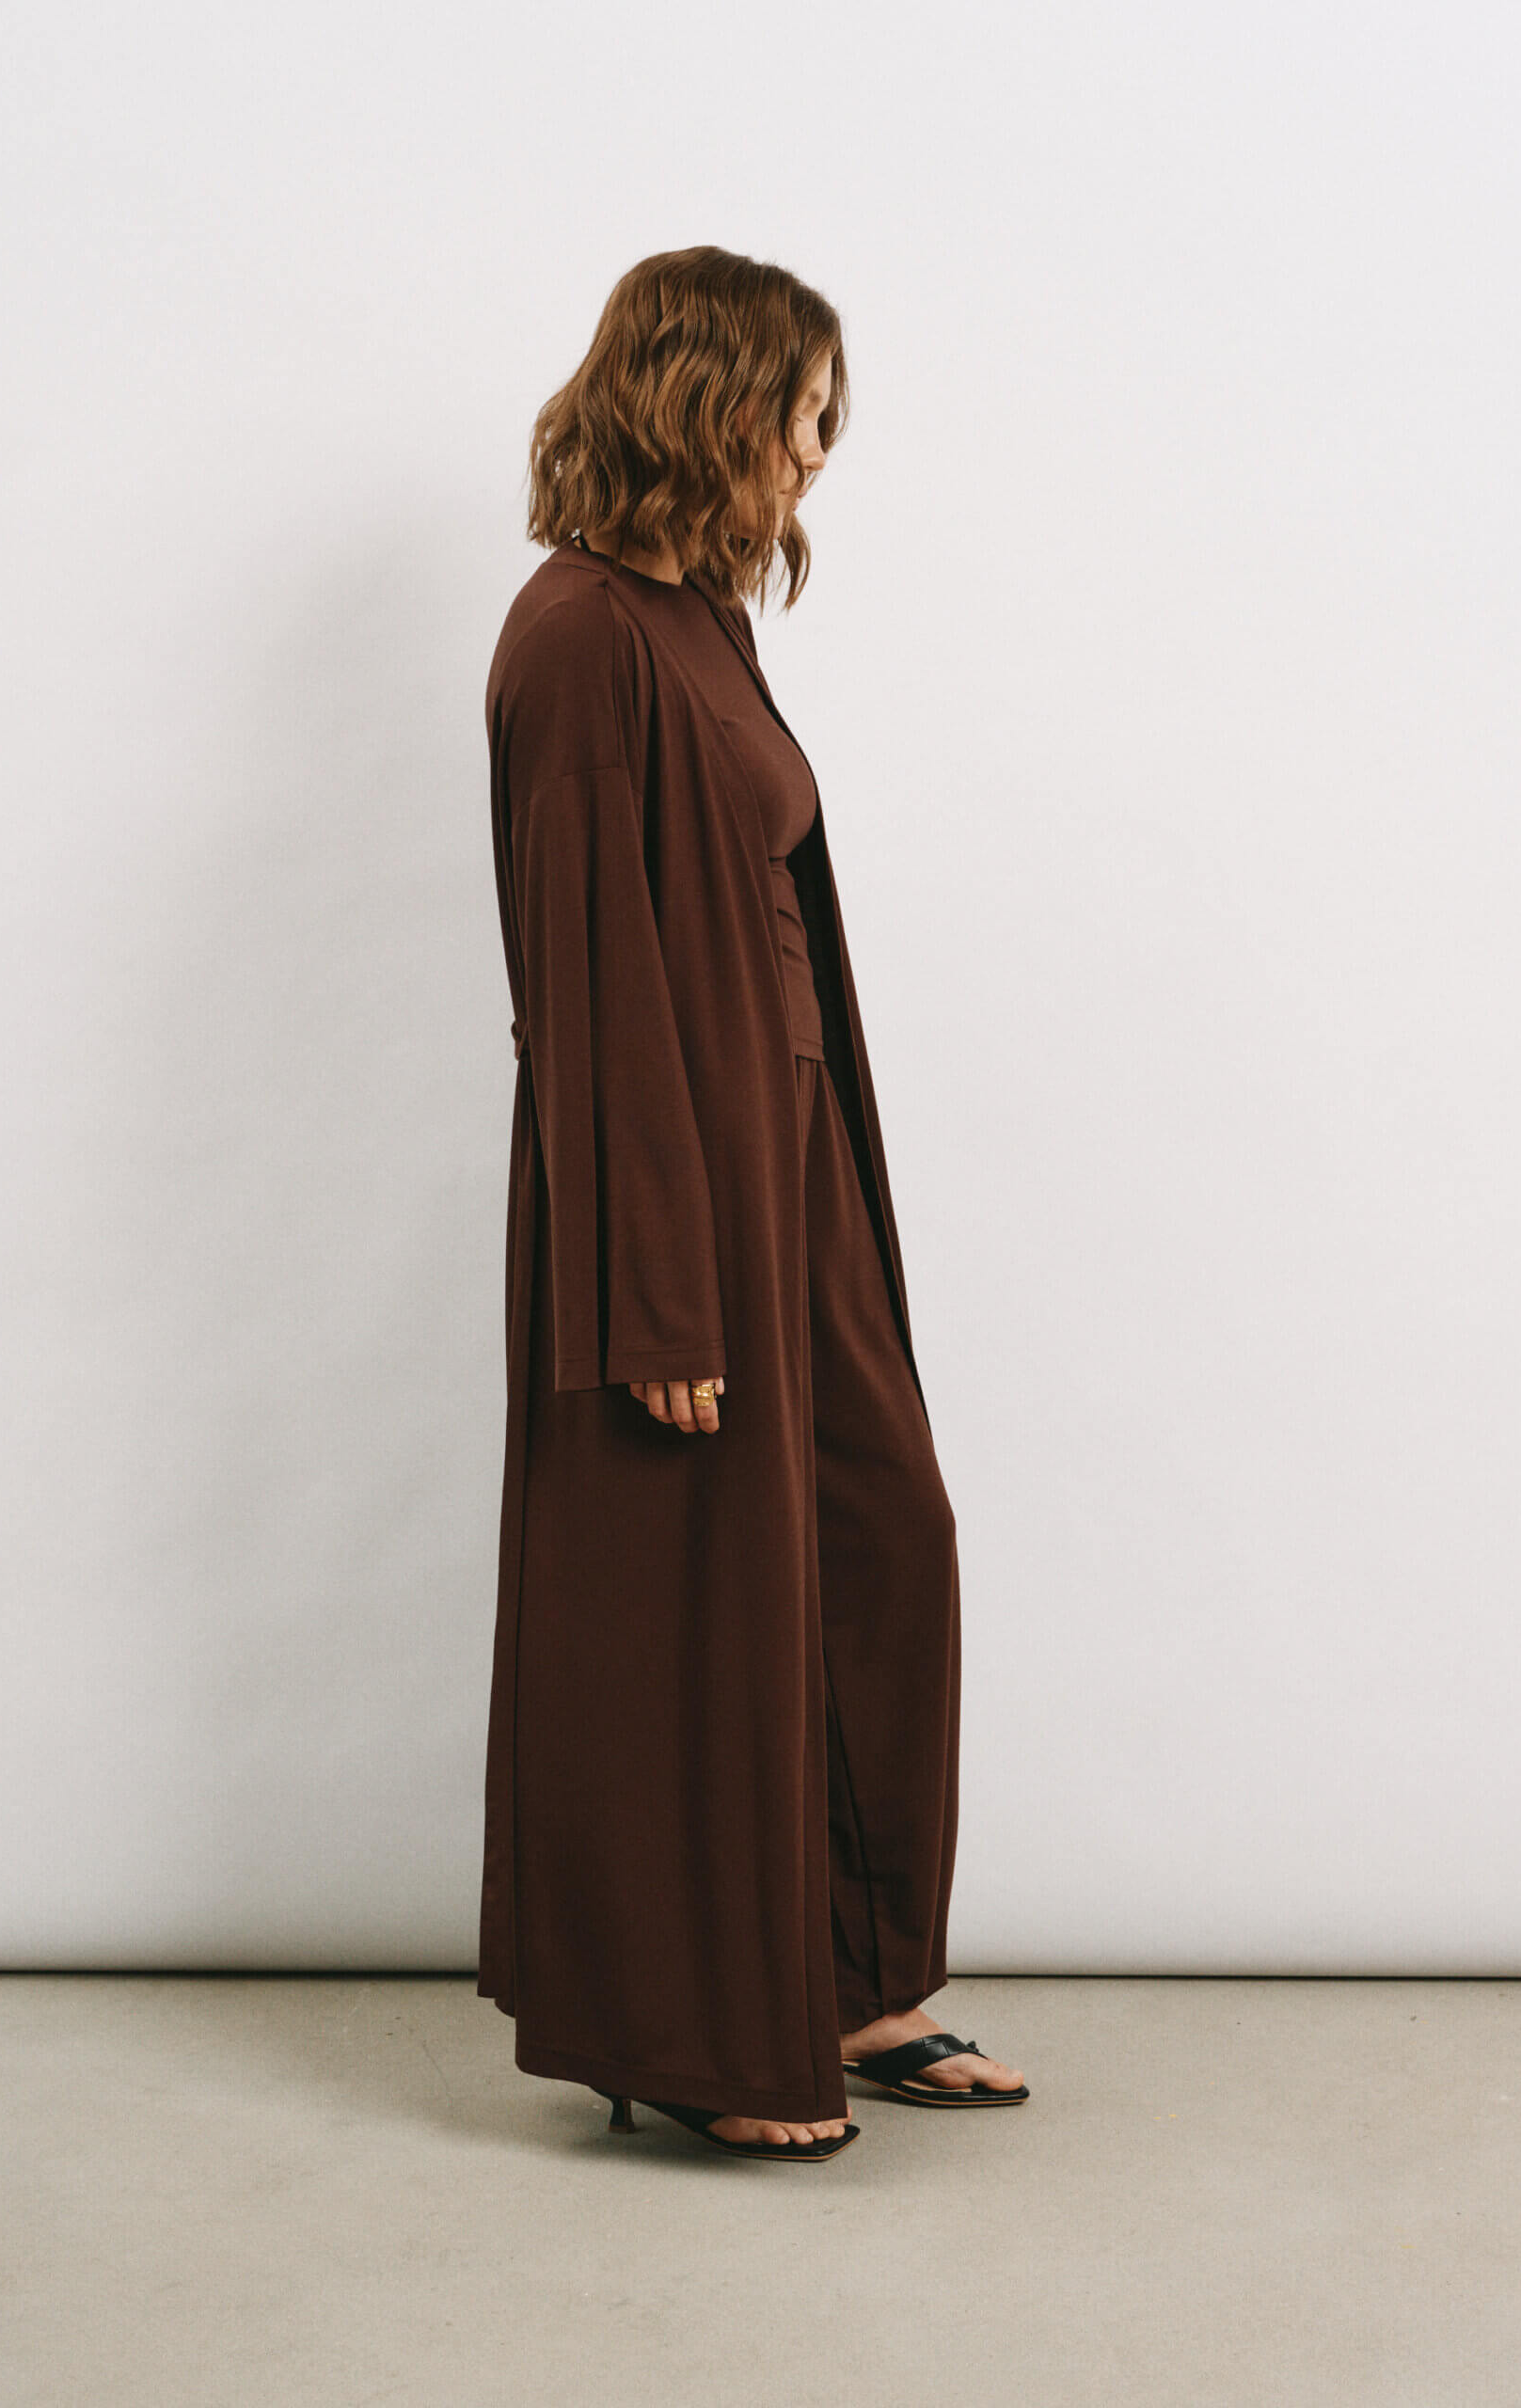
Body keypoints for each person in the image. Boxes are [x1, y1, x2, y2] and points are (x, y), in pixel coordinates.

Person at [479, 246, 1029, 2162]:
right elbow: (585, 982)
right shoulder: (576, 636)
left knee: (882, 1530)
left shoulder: (701, 620)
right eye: (800, 418)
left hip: (790, 1160)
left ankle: (851, 1976)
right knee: (693, 1605)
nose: (813, 457)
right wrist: (650, 1291)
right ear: (706, 402)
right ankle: (698, 2030)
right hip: (675, 1195)